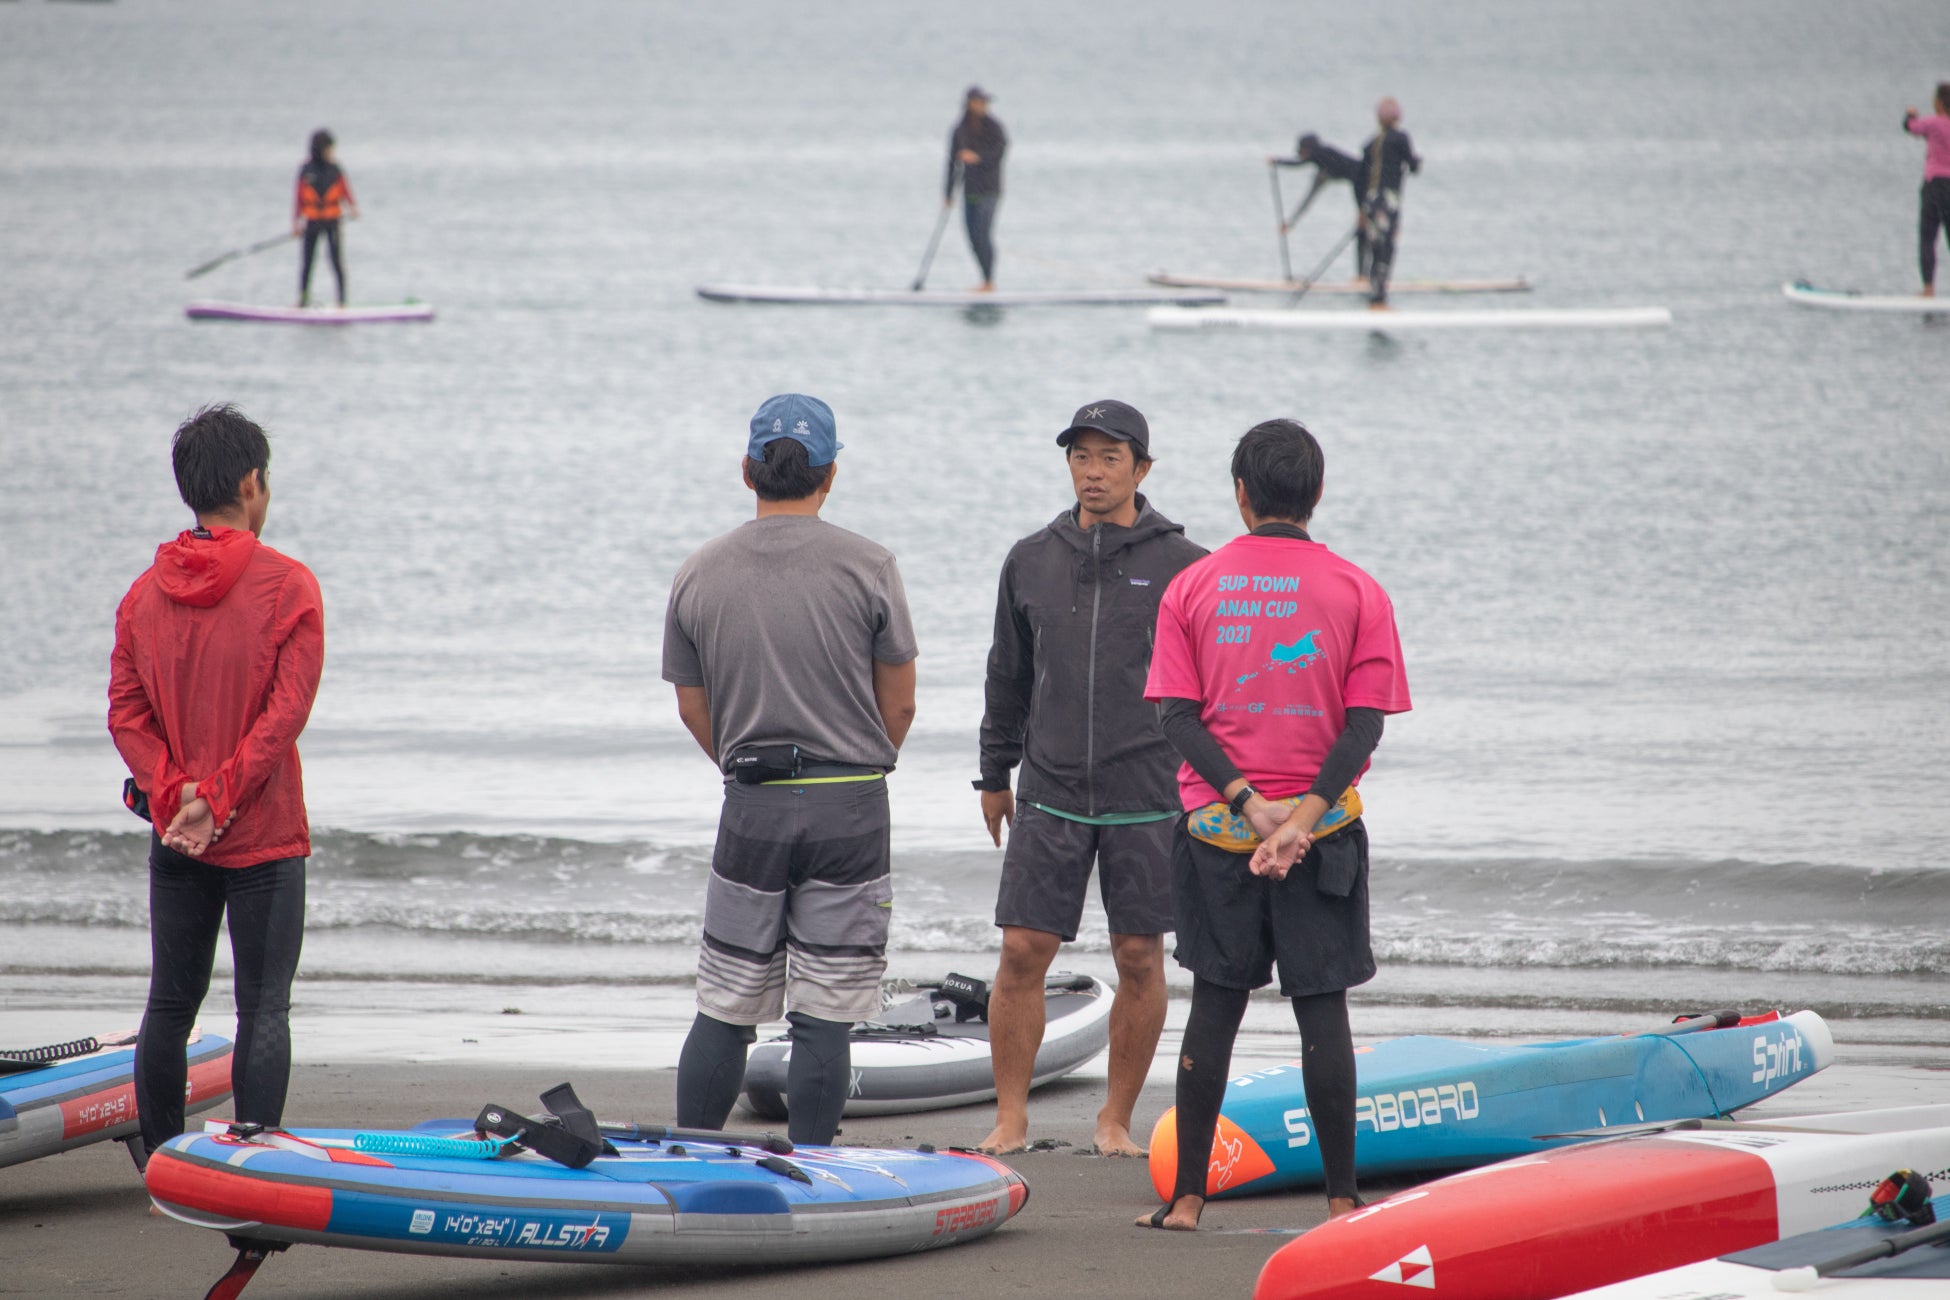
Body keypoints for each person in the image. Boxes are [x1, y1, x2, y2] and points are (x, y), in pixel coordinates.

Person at [1134, 418, 1411, 1231]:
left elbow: (1176, 719)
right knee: (1321, 1009)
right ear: (1317, 493)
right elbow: (1363, 727)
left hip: (1220, 835)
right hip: (1322, 842)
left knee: (1215, 1007)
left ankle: (1187, 1199)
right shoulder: (1360, 590)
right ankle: (1340, 1198)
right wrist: (1300, 820)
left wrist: (1250, 806)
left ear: (1242, 493)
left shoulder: (1194, 587)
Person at [661, 394, 919, 1147]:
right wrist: (862, 766)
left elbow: (692, 707)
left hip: (753, 801)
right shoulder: (870, 564)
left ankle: (691, 1158)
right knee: (824, 1008)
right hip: (849, 803)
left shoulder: (699, 570)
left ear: (748, 470)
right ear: (829, 474)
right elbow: (897, 705)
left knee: (727, 1001)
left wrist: (744, 771)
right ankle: (812, 1166)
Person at [973, 400, 1207, 1156]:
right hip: (1050, 790)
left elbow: (1209, 691)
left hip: (1148, 792)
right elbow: (1007, 674)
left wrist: (1214, 786)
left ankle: (1115, 1121)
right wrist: (992, 773)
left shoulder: (1186, 565)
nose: (1094, 472)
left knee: (1139, 957)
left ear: (1142, 468)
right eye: (1081, 456)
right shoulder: (1031, 558)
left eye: (1111, 457)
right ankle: (1011, 1117)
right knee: (1020, 952)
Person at [108, 403, 325, 1165]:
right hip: (261, 833)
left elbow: (126, 714)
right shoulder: (289, 585)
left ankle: (163, 1159)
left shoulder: (141, 594)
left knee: (171, 1001)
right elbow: (284, 714)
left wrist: (176, 798)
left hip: (176, 836)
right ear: (252, 483)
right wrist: (219, 798)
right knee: (263, 1005)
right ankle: (252, 1159)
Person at [1269, 133, 1370, 281]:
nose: (1301, 154)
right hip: (1350, 179)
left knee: (1363, 229)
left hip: (1363, 178)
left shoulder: (1321, 152)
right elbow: (1307, 200)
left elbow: (1298, 163)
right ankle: (1362, 276)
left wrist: (1277, 161)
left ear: (1308, 149)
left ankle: (1363, 276)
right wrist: (1290, 223)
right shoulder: (1323, 169)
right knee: (1362, 230)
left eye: (1302, 151)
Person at [1358, 97, 1421, 308]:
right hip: (1388, 201)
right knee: (1387, 246)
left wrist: (1361, 208)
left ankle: (1374, 292)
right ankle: (1379, 298)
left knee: (1375, 246)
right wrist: (1416, 162)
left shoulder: (1371, 143)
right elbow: (1412, 165)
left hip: (1371, 200)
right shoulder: (1400, 138)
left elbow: (1363, 175)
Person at [945, 86, 1008, 292]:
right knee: (972, 237)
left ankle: (990, 281)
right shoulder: (960, 129)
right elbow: (952, 162)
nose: (983, 106)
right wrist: (948, 193)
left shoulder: (993, 127)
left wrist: (978, 158)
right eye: (979, 102)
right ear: (969, 103)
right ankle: (985, 281)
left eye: (985, 103)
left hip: (989, 190)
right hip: (969, 190)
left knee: (983, 234)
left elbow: (999, 152)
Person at [293, 128, 359, 308]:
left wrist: (352, 208)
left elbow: (345, 190)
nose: (331, 152)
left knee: (336, 261)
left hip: (332, 222)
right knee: (307, 262)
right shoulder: (306, 171)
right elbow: (298, 199)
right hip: (312, 222)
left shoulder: (335, 169)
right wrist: (296, 224)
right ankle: (303, 300)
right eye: (329, 148)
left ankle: (342, 301)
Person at [1904, 84, 1950, 297]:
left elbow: (1911, 127)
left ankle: (1928, 289)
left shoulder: (1932, 123)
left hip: (1934, 185)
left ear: (1939, 103)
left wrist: (1910, 115)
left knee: (1928, 237)